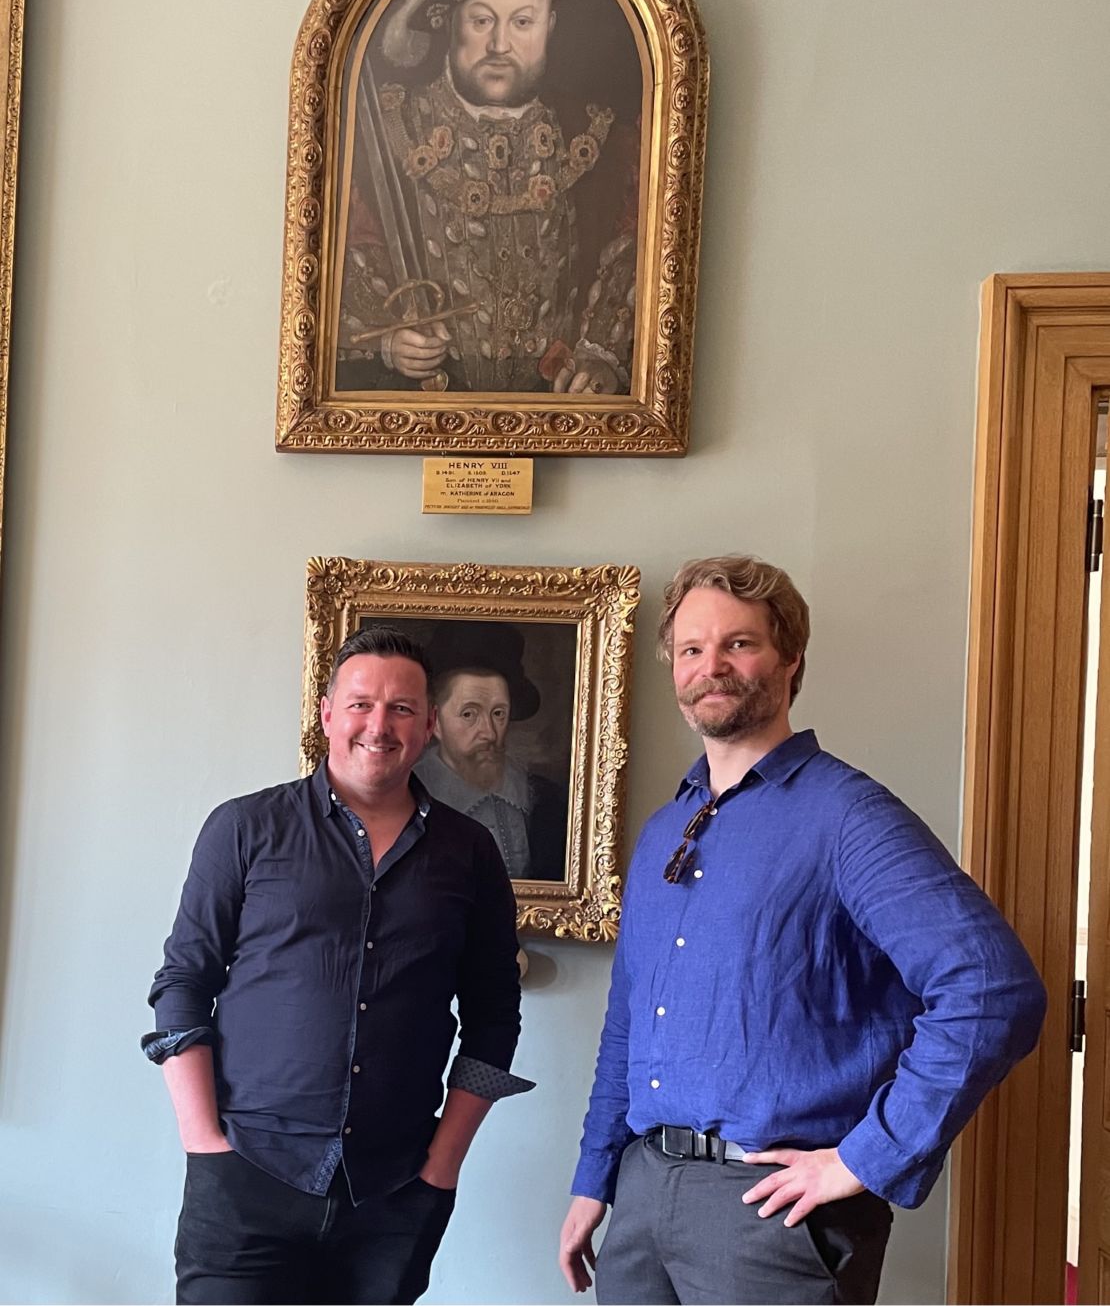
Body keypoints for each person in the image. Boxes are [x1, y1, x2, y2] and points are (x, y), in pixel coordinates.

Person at [559, 555, 1047, 1305]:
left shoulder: (850, 818)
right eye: (691, 649)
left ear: (790, 660)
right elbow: (627, 1021)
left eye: (739, 644)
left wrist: (865, 1159)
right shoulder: (663, 831)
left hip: (768, 1219)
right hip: (643, 1196)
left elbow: (991, 989)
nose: (711, 666)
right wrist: (594, 1178)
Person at [144, 626, 532, 1306]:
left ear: (429, 725)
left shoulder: (469, 852)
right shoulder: (243, 828)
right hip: (245, 1180)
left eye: (402, 708)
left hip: (394, 1193)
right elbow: (183, 983)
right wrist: (203, 1141)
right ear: (326, 713)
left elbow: (495, 1015)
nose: (378, 725)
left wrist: (443, 1166)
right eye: (360, 704)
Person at [336, 0, 640, 395]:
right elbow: (338, 268)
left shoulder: (600, 138)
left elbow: (633, 252)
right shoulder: (384, 135)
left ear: (550, 25)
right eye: (481, 21)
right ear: (449, 22)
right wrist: (389, 339)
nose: (500, 44)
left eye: (523, 22)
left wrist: (601, 360)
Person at [417, 621, 568, 881]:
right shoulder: (407, 795)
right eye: (469, 714)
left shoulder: (545, 800)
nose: (488, 732)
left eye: (498, 713)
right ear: (436, 722)